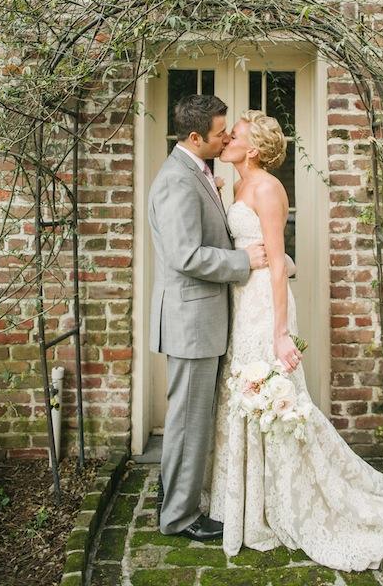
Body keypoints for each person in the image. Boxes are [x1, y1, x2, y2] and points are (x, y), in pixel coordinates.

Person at [202, 109, 383, 572]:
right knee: (243, 398)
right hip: (241, 302)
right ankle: (250, 502)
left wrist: (280, 333)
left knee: (273, 400)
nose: (227, 140)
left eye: (233, 135)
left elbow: (278, 264)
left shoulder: (269, 188)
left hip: (264, 307)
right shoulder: (235, 185)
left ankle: (299, 505)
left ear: (252, 148)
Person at [147, 95, 268, 541]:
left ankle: (172, 494)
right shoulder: (177, 181)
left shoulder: (195, 172)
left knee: (188, 417)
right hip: (191, 321)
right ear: (195, 137)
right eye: (220, 134)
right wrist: (242, 261)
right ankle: (179, 517)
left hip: (196, 318)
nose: (226, 139)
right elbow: (185, 255)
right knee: (188, 420)